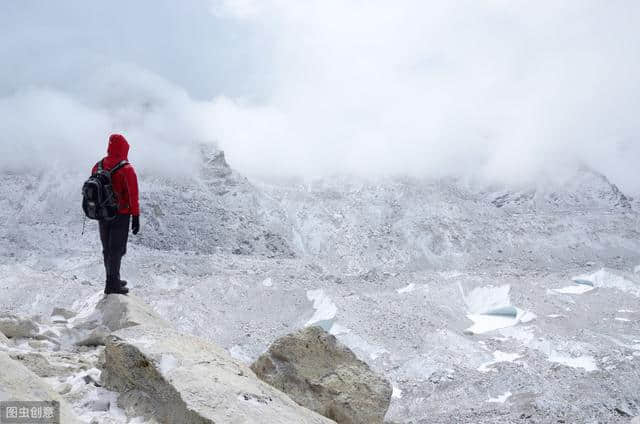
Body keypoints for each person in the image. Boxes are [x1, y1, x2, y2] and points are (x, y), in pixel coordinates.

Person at [91, 134, 140, 295]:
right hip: (121, 214)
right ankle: (112, 285)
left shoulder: (98, 166)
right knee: (117, 249)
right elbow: (133, 195)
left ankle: (112, 279)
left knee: (107, 249)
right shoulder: (127, 169)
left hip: (102, 214)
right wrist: (136, 217)